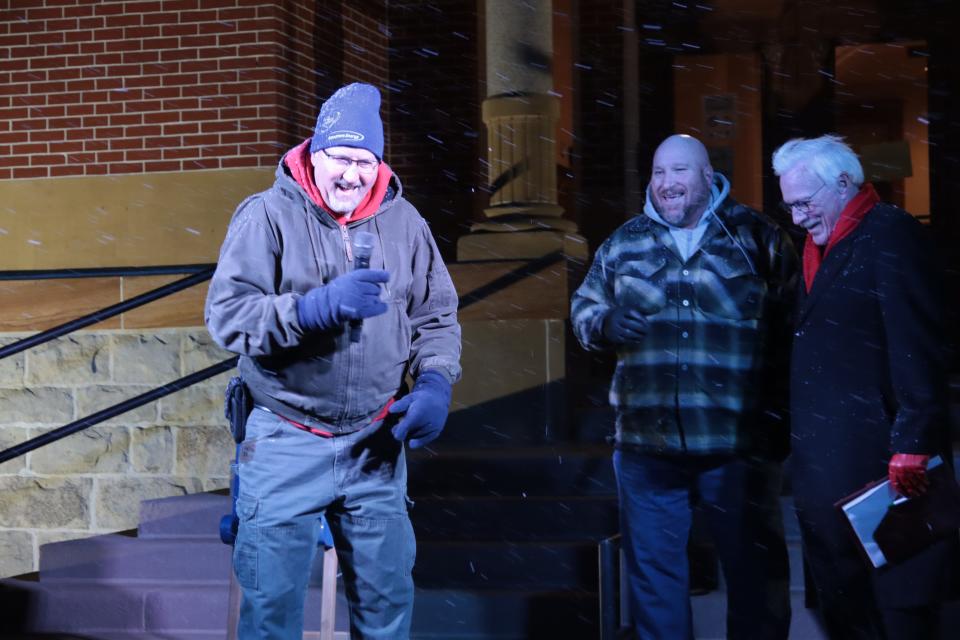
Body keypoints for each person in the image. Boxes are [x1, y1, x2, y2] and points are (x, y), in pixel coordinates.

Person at [205, 82, 462, 639]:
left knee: (386, 604)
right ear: (314, 153)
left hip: (376, 442)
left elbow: (436, 317)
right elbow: (228, 317)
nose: (352, 175)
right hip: (286, 437)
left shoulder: (406, 224)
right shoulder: (267, 216)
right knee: (272, 611)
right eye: (340, 158)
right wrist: (315, 307)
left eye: (364, 161)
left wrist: (436, 381)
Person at [571, 134, 798, 639]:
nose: (667, 183)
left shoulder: (756, 237)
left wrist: (779, 423)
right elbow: (583, 309)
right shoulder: (623, 242)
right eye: (658, 172)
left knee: (755, 580)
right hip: (646, 447)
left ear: (706, 175)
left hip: (736, 445)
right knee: (655, 585)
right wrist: (604, 323)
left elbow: (793, 331)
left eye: (679, 171)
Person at [773, 134, 956, 639]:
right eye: (790, 206)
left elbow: (918, 343)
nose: (797, 218)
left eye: (805, 203)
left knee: (900, 613)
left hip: (882, 474)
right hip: (832, 474)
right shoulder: (822, 246)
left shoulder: (890, 234)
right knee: (849, 614)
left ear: (845, 183)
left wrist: (914, 444)